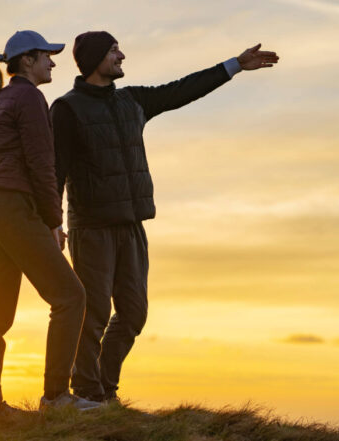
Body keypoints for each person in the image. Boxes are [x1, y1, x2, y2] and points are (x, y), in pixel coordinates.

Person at [50, 31, 279, 403]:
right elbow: (55, 168)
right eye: (113, 50)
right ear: (94, 58)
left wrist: (234, 65)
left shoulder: (133, 100)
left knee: (134, 314)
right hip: (91, 227)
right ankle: (89, 393)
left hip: (132, 223)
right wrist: (53, 221)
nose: (122, 55)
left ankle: (103, 389)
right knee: (92, 314)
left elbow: (181, 90)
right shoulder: (67, 108)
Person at [0, 30, 100, 424]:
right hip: (14, 209)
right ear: (27, 60)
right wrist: (52, 222)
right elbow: (42, 164)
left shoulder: (0, 102)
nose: (53, 62)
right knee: (71, 297)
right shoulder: (28, 96)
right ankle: (57, 396)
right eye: (47, 55)